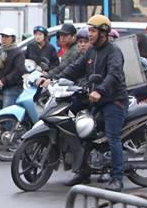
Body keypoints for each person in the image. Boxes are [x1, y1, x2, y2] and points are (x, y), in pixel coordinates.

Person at [43, 15, 127, 190]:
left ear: (103, 32)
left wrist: (100, 90)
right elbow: (75, 68)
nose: (89, 34)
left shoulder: (113, 52)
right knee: (82, 132)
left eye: (93, 31)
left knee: (112, 137)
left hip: (113, 101)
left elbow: (114, 75)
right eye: (89, 30)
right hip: (94, 99)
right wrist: (52, 78)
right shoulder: (91, 51)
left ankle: (117, 178)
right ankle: (84, 173)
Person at [0, 28, 25, 108]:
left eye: (6, 37)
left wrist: (3, 80)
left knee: (7, 111)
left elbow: (18, 71)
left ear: (12, 39)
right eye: (2, 37)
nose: (3, 39)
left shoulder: (18, 53)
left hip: (13, 87)